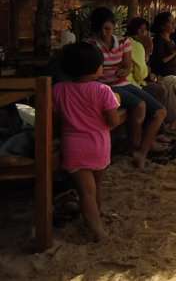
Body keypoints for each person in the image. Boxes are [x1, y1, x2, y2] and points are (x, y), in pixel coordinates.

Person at [53, 42, 121, 241]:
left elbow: (55, 119)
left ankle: (96, 225)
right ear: (95, 67)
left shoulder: (58, 89)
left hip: (73, 147)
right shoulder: (103, 90)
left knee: (86, 193)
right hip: (99, 145)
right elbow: (114, 121)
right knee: (96, 187)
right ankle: (98, 227)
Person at [88, 7, 166, 169]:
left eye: (108, 28)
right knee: (140, 105)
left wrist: (124, 70)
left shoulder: (124, 42)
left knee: (160, 112)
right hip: (104, 88)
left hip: (123, 83)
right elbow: (91, 73)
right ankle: (137, 148)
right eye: (101, 29)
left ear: (114, 26)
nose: (104, 33)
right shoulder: (91, 45)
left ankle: (142, 150)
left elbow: (127, 66)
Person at [125, 17, 169, 121]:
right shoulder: (136, 45)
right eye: (146, 31)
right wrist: (147, 54)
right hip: (130, 85)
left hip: (125, 83)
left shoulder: (123, 41)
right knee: (159, 90)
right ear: (140, 31)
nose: (148, 34)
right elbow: (141, 75)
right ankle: (154, 124)